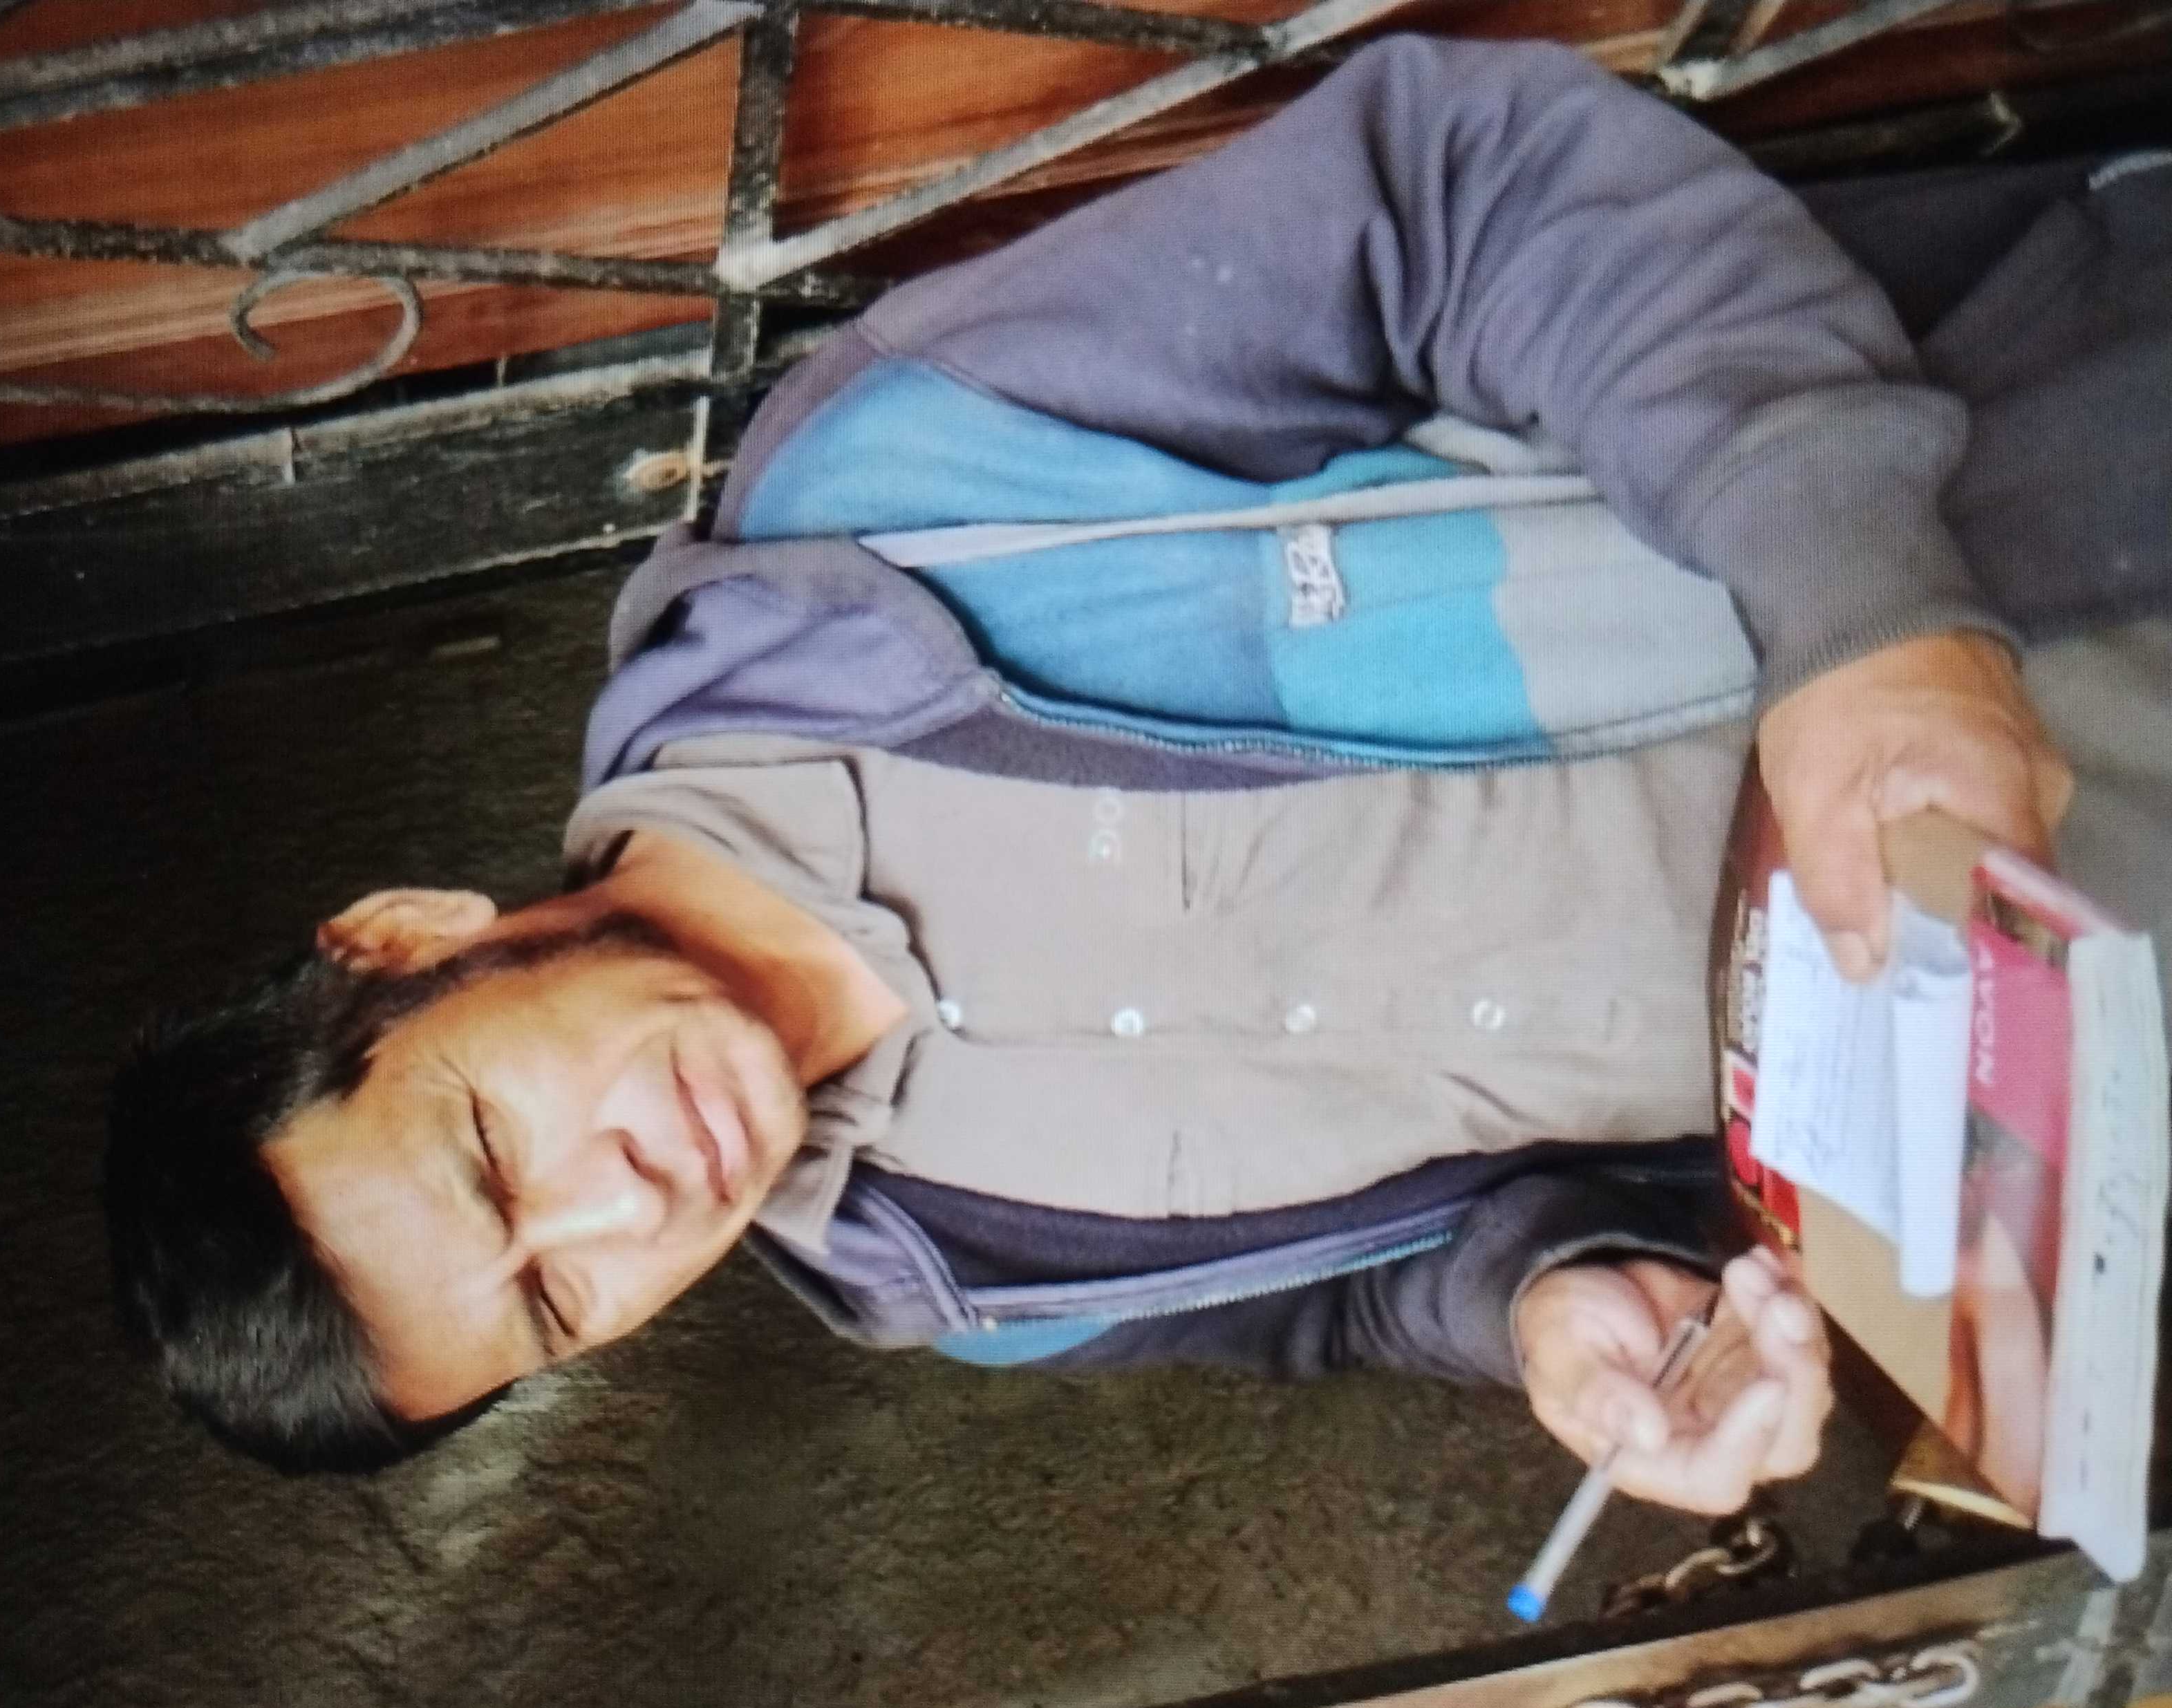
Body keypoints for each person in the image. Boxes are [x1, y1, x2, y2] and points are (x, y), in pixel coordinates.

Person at [106, 36, 2166, 1488]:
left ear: (407, 943)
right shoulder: (957, 1286)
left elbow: (1467, 191)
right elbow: (1353, 1298)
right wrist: (1544, 1304)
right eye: (557, 1306)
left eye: (493, 1153)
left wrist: (1868, 613)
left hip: (2091, 498)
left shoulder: (893, 502)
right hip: (2108, 1074)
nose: (616, 1211)